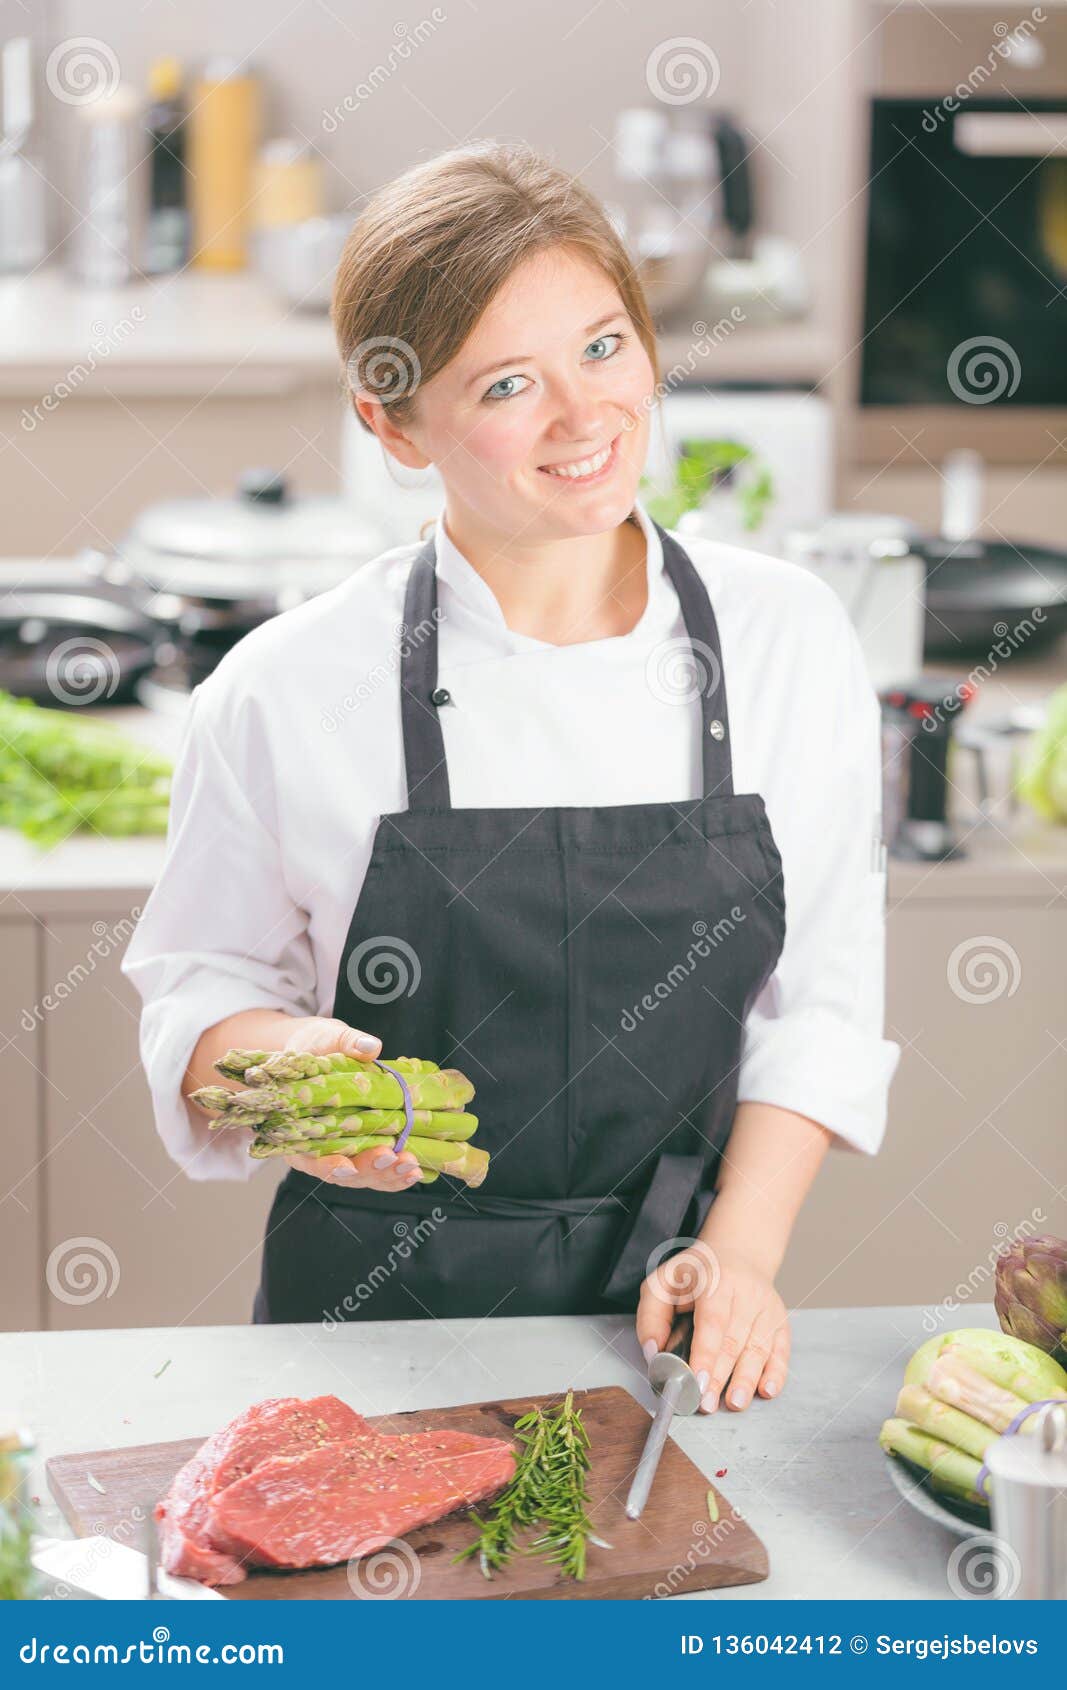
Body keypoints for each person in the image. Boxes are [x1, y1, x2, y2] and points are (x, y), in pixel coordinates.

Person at [123, 141, 899, 1415]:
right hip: (364, 1326)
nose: (584, 417)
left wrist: (743, 1255)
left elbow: (815, 1005)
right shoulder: (281, 687)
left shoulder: (784, 636)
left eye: (603, 348)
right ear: (391, 420)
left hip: (666, 1318)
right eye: (506, 383)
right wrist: (289, 1074)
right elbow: (197, 997)